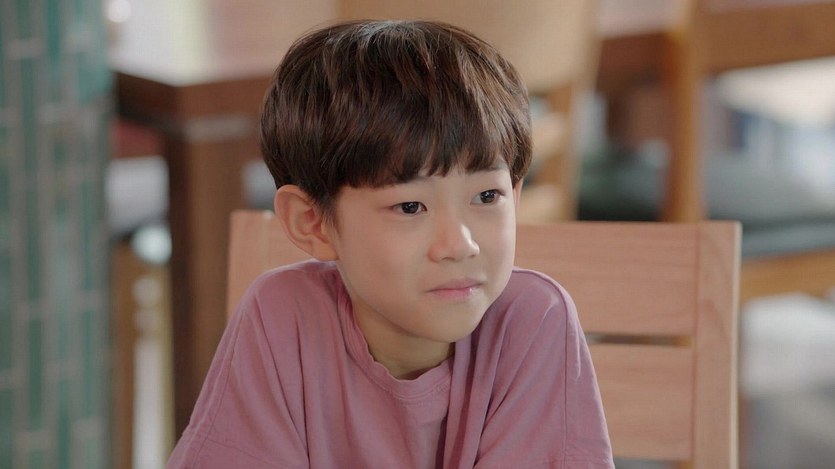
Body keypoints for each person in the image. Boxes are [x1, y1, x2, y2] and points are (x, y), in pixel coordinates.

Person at [167, 19, 613, 468]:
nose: (460, 245)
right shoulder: (283, 317)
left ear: (514, 197)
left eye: (486, 196)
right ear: (313, 223)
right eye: (410, 207)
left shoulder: (534, 323)